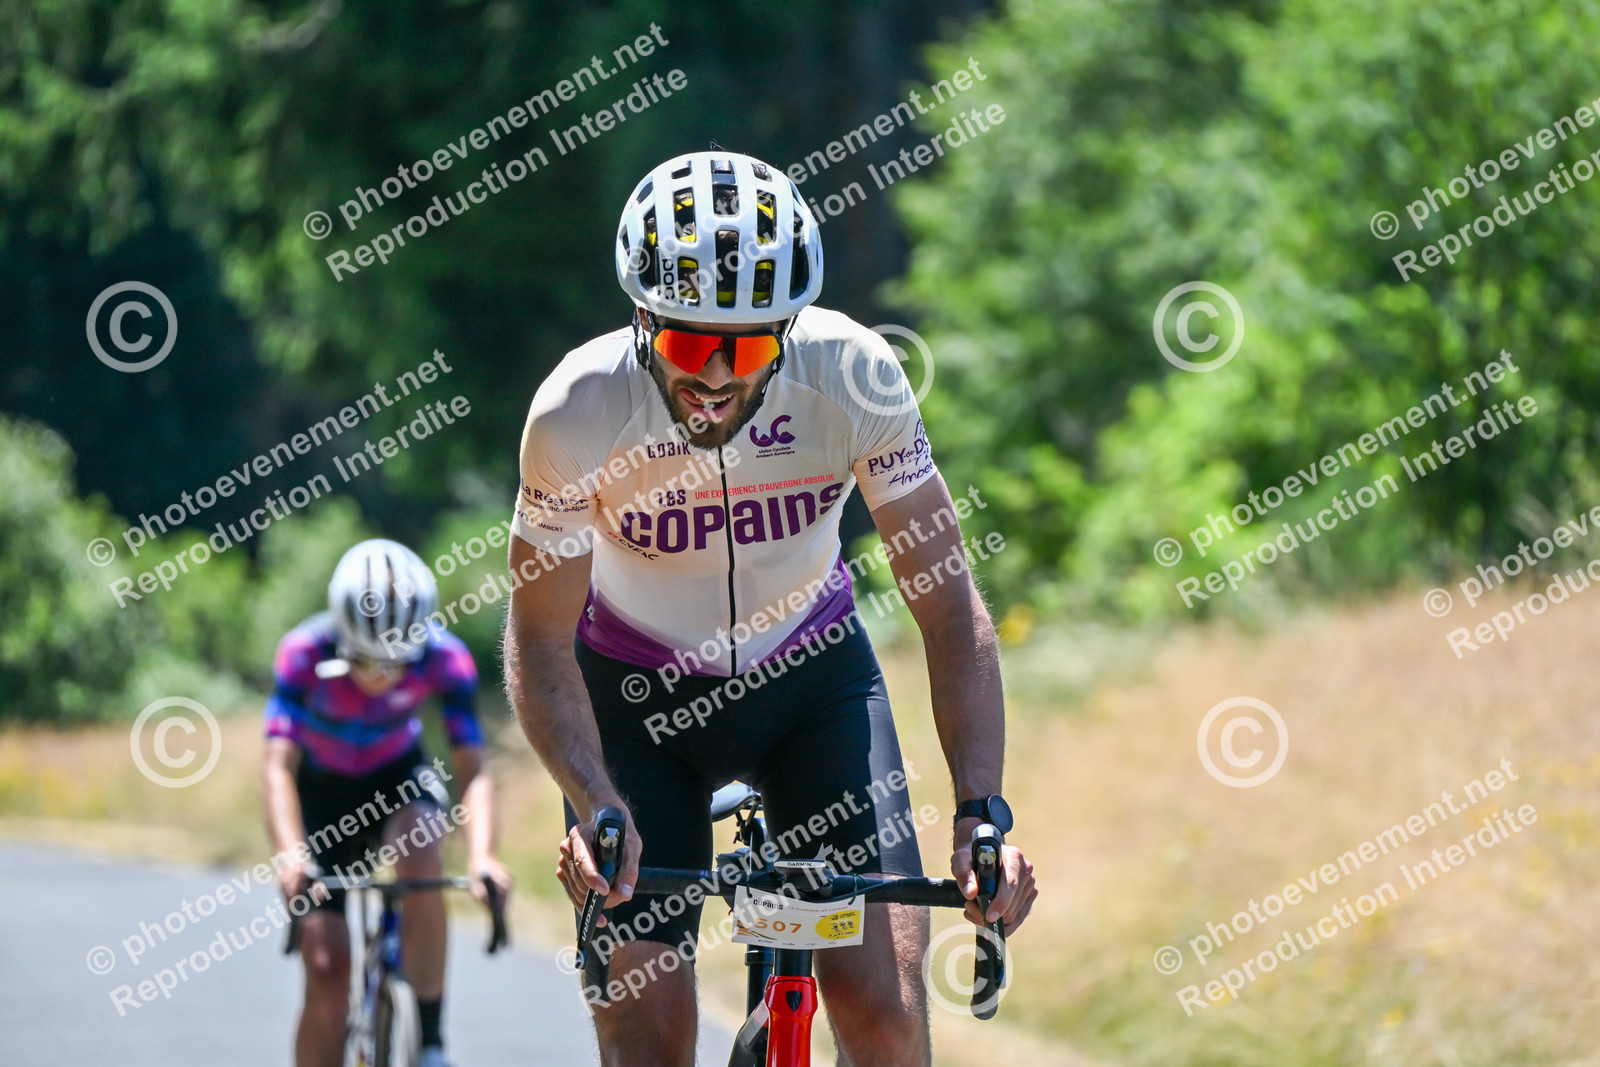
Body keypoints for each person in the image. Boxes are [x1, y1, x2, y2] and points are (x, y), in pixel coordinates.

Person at [502, 149, 1036, 1066]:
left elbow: (950, 607)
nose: (716, 377)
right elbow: (542, 639)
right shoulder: (576, 410)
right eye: (689, 345)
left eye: (747, 348)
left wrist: (980, 812)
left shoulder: (855, 373)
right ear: (641, 319)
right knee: (647, 1031)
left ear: (789, 330)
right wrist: (593, 800)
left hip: (812, 689)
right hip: (637, 709)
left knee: (884, 1013)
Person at [261, 538, 513, 1067]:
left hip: (397, 778)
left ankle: (430, 1042)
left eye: (395, 664)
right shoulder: (303, 653)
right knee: (326, 967)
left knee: (421, 851)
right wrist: (291, 856)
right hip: (321, 793)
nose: (379, 677)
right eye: (363, 661)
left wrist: (482, 856)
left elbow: (473, 770)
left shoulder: (446, 658)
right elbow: (277, 767)